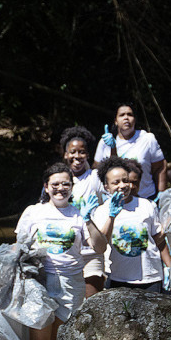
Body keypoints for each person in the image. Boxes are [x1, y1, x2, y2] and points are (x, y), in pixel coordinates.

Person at [15, 162, 104, 340]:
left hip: (71, 283)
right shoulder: (33, 212)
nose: (60, 189)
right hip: (39, 282)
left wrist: (88, 219)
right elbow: (18, 248)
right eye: (55, 184)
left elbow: (100, 247)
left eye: (66, 184)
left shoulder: (78, 214)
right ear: (46, 187)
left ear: (72, 187)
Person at [91, 156, 171, 291]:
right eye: (116, 182)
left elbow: (159, 240)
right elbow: (101, 243)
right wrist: (111, 216)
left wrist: (169, 267)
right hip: (119, 277)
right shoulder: (102, 211)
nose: (122, 185)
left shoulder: (147, 205)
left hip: (150, 277)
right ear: (106, 187)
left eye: (125, 180)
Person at [59, 126, 106, 296]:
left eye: (82, 152)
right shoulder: (58, 181)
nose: (77, 156)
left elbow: (115, 175)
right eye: (73, 152)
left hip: (90, 252)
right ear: (65, 154)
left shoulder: (95, 178)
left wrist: (113, 149)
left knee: (92, 303)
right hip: (65, 252)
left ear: (87, 155)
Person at [92, 102, 167, 200]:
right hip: (116, 198)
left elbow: (160, 166)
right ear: (116, 121)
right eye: (122, 115)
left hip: (146, 196)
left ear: (135, 119)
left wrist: (162, 193)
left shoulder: (147, 139)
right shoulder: (105, 142)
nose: (126, 118)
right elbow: (97, 170)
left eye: (130, 114)